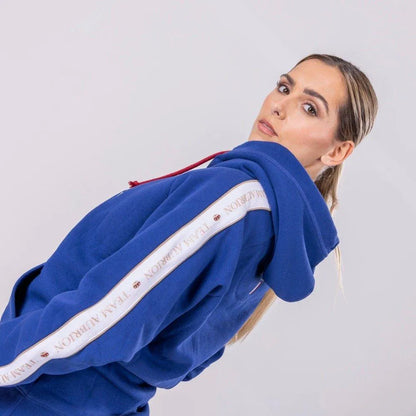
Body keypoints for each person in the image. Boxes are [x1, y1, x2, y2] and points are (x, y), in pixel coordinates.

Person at [0, 53, 378, 415]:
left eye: (309, 108)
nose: (280, 106)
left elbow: (105, 313)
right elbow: (191, 350)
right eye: (284, 87)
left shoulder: (236, 199)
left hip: (37, 391)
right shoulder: (278, 229)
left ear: (337, 151)